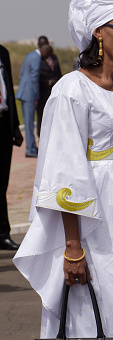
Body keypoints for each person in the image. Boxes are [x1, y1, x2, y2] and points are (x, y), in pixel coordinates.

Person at [13, 0, 113, 340]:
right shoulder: (72, 91)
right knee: (94, 312)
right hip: (92, 225)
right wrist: (72, 248)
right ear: (98, 32)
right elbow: (65, 172)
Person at [0, 44, 24, 250]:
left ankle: (2, 234)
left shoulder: (3, 53)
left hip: (3, 124)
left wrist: (15, 126)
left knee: (2, 184)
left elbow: (8, 90)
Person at [15, 43, 47, 157]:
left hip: (24, 90)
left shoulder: (30, 55)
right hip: (29, 93)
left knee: (28, 122)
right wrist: (37, 96)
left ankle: (32, 146)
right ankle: (30, 149)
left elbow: (22, 73)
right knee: (28, 123)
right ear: (44, 52)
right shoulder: (36, 58)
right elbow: (34, 78)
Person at [36, 44, 62, 138]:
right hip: (43, 91)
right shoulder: (38, 59)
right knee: (41, 114)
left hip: (54, 90)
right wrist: (48, 82)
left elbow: (58, 72)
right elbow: (36, 77)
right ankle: (40, 134)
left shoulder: (54, 58)